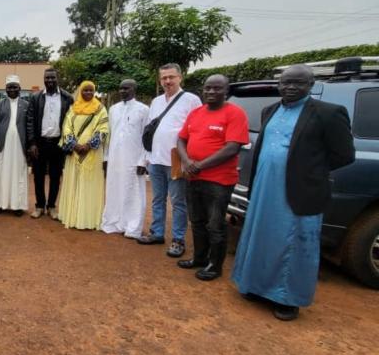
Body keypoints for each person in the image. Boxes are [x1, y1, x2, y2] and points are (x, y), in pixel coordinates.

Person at [232, 64, 355, 321]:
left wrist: (308, 170)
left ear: (310, 85)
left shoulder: (328, 113)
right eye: (285, 82)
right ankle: (254, 286)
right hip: (266, 188)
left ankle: (286, 299)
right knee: (262, 237)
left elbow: (344, 155)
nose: (289, 87)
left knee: (295, 243)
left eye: (297, 83)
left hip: (299, 191)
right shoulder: (270, 110)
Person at [176, 75, 249, 281]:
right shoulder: (196, 113)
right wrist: (186, 161)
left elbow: (232, 147)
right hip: (193, 177)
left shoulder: (235, 113)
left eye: (217, 88)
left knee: (215, 224)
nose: (211, 92)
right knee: (197, 221)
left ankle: (214, 266)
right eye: (208, 88)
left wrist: (199, 165)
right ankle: (199, 258)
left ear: (226, 91)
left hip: (219, 180)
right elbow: (181, 139)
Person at [137, 63, 202, 258]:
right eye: (164, 78)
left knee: (177, 201)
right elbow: (150, 129)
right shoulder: (156, 101)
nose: (167, 81)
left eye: (171, 77)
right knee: (157, 199)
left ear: (180, 78)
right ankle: (157, 233)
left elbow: (196, 130)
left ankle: (178, 239)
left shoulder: (191, 100)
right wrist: (147, 156)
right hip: (156, 158)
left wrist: (187, 159)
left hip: (176, 160)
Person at [101, 79, 150, 238]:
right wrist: (106, 157)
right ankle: (115, 223)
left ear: (134, 89)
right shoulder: (113, 109)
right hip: (115, 158)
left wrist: (143, 160)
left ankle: (133, 227)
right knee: (115, 189)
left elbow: (146, 137)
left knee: (134, 192)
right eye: (121, 88)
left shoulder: (143, 109)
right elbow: (109, 135)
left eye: (126, 88)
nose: (123, 91)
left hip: (134, 159)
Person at [57, 81, 109, 230]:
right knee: (74, 182)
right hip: (74, 153)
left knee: (89, 184)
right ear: (80, 92)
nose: (88, 93)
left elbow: (104, 129)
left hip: (92, 153)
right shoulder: (73, 109)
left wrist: (88, 145)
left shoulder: (100, 109)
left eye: (90, 91)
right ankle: (72, 217)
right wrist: (74, 144)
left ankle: (87, 219)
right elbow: (66, 127)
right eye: (85, 90)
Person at [26, 68, 73, 219]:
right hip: (39, 143)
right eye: (47, 78)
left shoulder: (67, 98)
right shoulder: (35, 97)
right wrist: (32, 143)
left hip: (57, 144)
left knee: (55, 176)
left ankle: (52, 206)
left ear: (57, 79)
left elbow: (71, 122)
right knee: (38, 176)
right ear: (43, 79)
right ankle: (39, 206)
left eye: (53, 78)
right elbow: (30, 121)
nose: (50, 81)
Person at [0, 75, 29, 216]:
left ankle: (17, 206)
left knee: (19, 174)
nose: (12, 89)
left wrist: (30, 145)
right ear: (5, 89)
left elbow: (29, 127)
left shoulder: (26, 105)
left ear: (20, 89)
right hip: (2, 146)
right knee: (0, 173)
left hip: (19, 146)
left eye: (15, 87)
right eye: (9, 87)